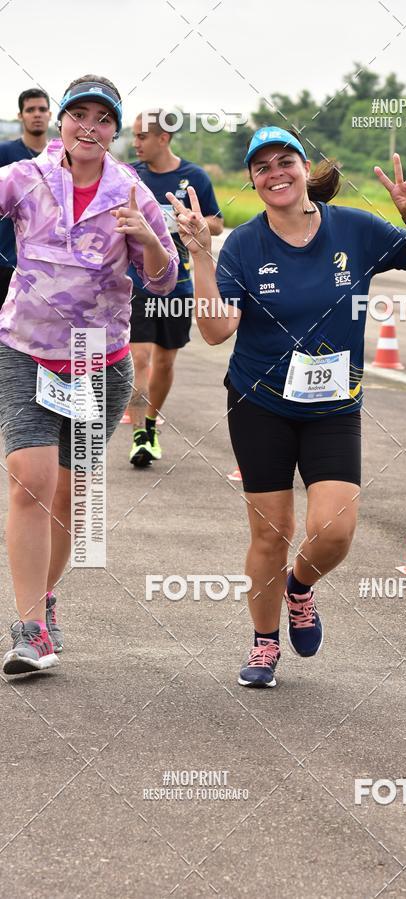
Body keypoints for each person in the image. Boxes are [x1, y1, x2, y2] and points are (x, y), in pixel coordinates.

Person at [167, 125, 406, 688]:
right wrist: (200, 253)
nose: (276, 174)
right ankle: (264, 644)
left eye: (285, 162)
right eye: (262, 167)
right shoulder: (246, 245)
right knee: (271, 533)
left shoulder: (354, 228)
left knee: (336, 530)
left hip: (333, 405)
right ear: (253, 180)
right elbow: (218, 329)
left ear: (304, 168)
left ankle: (300, 586)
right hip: (260, 402)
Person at [0, 75, 177, 676]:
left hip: (97, 364)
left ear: (114, 130)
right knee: (30, 481)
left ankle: (44, 601)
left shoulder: (131, 192)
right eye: (80, 115)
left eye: (104, 119)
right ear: (61, 121)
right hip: (25, 351)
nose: (90, 128)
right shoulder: (25, 177)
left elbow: (163, 280)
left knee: (68, 497)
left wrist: (149, 241)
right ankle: (29, 630)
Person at [126, 109, 223, 467]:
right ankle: (139, 433)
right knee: (139, 358)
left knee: (164, 362)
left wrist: (188, 221)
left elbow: (216, 224)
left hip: (179, 285)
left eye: (141, 136)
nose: (134, 143)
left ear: (162, 138)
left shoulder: (193, 176)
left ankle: (150, 422)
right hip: (136, 282)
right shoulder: (130, 175)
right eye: (134, 136)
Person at [0, 88, 51, 307]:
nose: (37, 114)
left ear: (50, 114)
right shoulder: (4, 152)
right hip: (5, 258)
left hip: (45, 264)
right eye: (30, 110)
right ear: (21, 116)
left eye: (42, 109)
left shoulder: (61, 157)